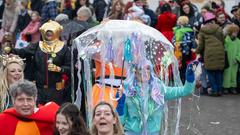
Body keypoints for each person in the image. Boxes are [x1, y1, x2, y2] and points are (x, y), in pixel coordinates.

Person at [119, 59, 196, 134]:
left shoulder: (159, 89)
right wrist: (120, 105)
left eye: (148, 68)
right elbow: (120, 122)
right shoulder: (127, 90)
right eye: (140, 69)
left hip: (152, 132)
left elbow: (184, 91)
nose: (145, 72)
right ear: (134, 72)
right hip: (132, 132)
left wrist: (190, 78)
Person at [4, 20, 71, 105]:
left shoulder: (64, 49)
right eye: (47, 32)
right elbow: (23, 52)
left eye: (51, 32)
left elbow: (70, 68)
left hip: (56, 90)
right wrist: (11, 49)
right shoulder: (37, 46)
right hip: (38, 89)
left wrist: (59, 69)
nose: (48, 34)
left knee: (53, 113)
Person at [196, 12, 225, 96]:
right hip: (220, 52)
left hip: (209, 53)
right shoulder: (219, 28)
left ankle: (214, 90)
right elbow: (223, 40)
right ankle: (219, 90)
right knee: (218, 72)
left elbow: (201, 45)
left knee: (211, 72)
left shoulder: (202, 30)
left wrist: (196, 51)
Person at [223, 24, 240, 94]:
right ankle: (226, 87)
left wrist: (237, 58)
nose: (236, 33)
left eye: (237, 32)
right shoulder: (226, 39)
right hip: (227, 61)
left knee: (234, 74)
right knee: (226, 74)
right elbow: (224, 49)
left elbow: (239, 51)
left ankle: (233, 87)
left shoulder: (238, 41)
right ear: (230, 32)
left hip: (234, 61)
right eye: (234, 32)